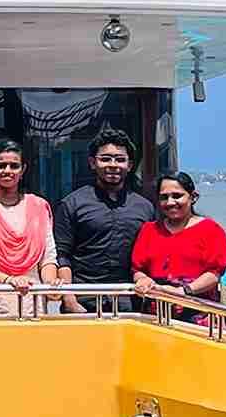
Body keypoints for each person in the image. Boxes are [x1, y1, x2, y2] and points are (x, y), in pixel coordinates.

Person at [55, 127, 154, 313]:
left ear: (130, 165)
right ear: (93, 163)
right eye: (105, 159)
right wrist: (69, 299)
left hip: (131, 300)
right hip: (84, 299)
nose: (113, 164)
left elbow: (151, 258)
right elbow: (62, 255)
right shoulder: (72, 204)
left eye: (120, 159)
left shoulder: (145, 207)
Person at [0, 139, 61, 314]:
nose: (7, 171)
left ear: (23, 170)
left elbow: (48, 258)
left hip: (32, 297)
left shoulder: (38, 206)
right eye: (2, 165)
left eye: (14, 166)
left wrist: (51, 284)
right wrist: (8, 280)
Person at [132, 173, 226, 324]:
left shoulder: (211, 230)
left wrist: (184, 291)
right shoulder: (148, 230)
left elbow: (214, 273)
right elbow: (137, 269)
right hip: (155, 315)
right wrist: (142, 279)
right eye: (164, 197)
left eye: (177, 196)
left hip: (199, 315)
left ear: (193, 197)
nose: (170, 202)